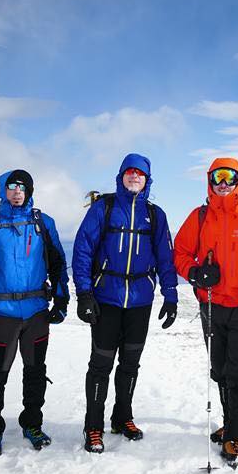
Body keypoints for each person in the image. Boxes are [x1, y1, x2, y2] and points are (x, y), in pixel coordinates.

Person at [172, 158, 238, 467]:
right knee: (219, 369)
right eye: (217, 176)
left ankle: (237, 436)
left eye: (230, 176)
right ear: (209, 179)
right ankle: (230, 424)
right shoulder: (200, 216)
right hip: (212, 306)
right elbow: (179, 253)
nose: (223, 182)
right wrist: (195, 273)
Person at [71, 154, 178, 453]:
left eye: (140, 174)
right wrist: (84, 293)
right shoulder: (103, 208)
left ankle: (122, 418)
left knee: (130, 363)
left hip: (141, 300)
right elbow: (82, 249)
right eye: (129, 172)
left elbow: (165, 257)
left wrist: (170, 294)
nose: (134, 177)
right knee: (101, 364)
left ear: (147, 180)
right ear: (121, 176)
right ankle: (93, 426)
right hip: (106, 297)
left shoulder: (155, 215)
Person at [0, 169, 70, 456]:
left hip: (36, 312)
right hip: (2, 312)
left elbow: (58, 263)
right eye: (11, 187)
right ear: (3, 190)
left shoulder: (42, 222)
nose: (16, 192)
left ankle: (32, 424)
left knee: (35, 372)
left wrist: (61, 299)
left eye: (22, 188)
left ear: (30, 191)